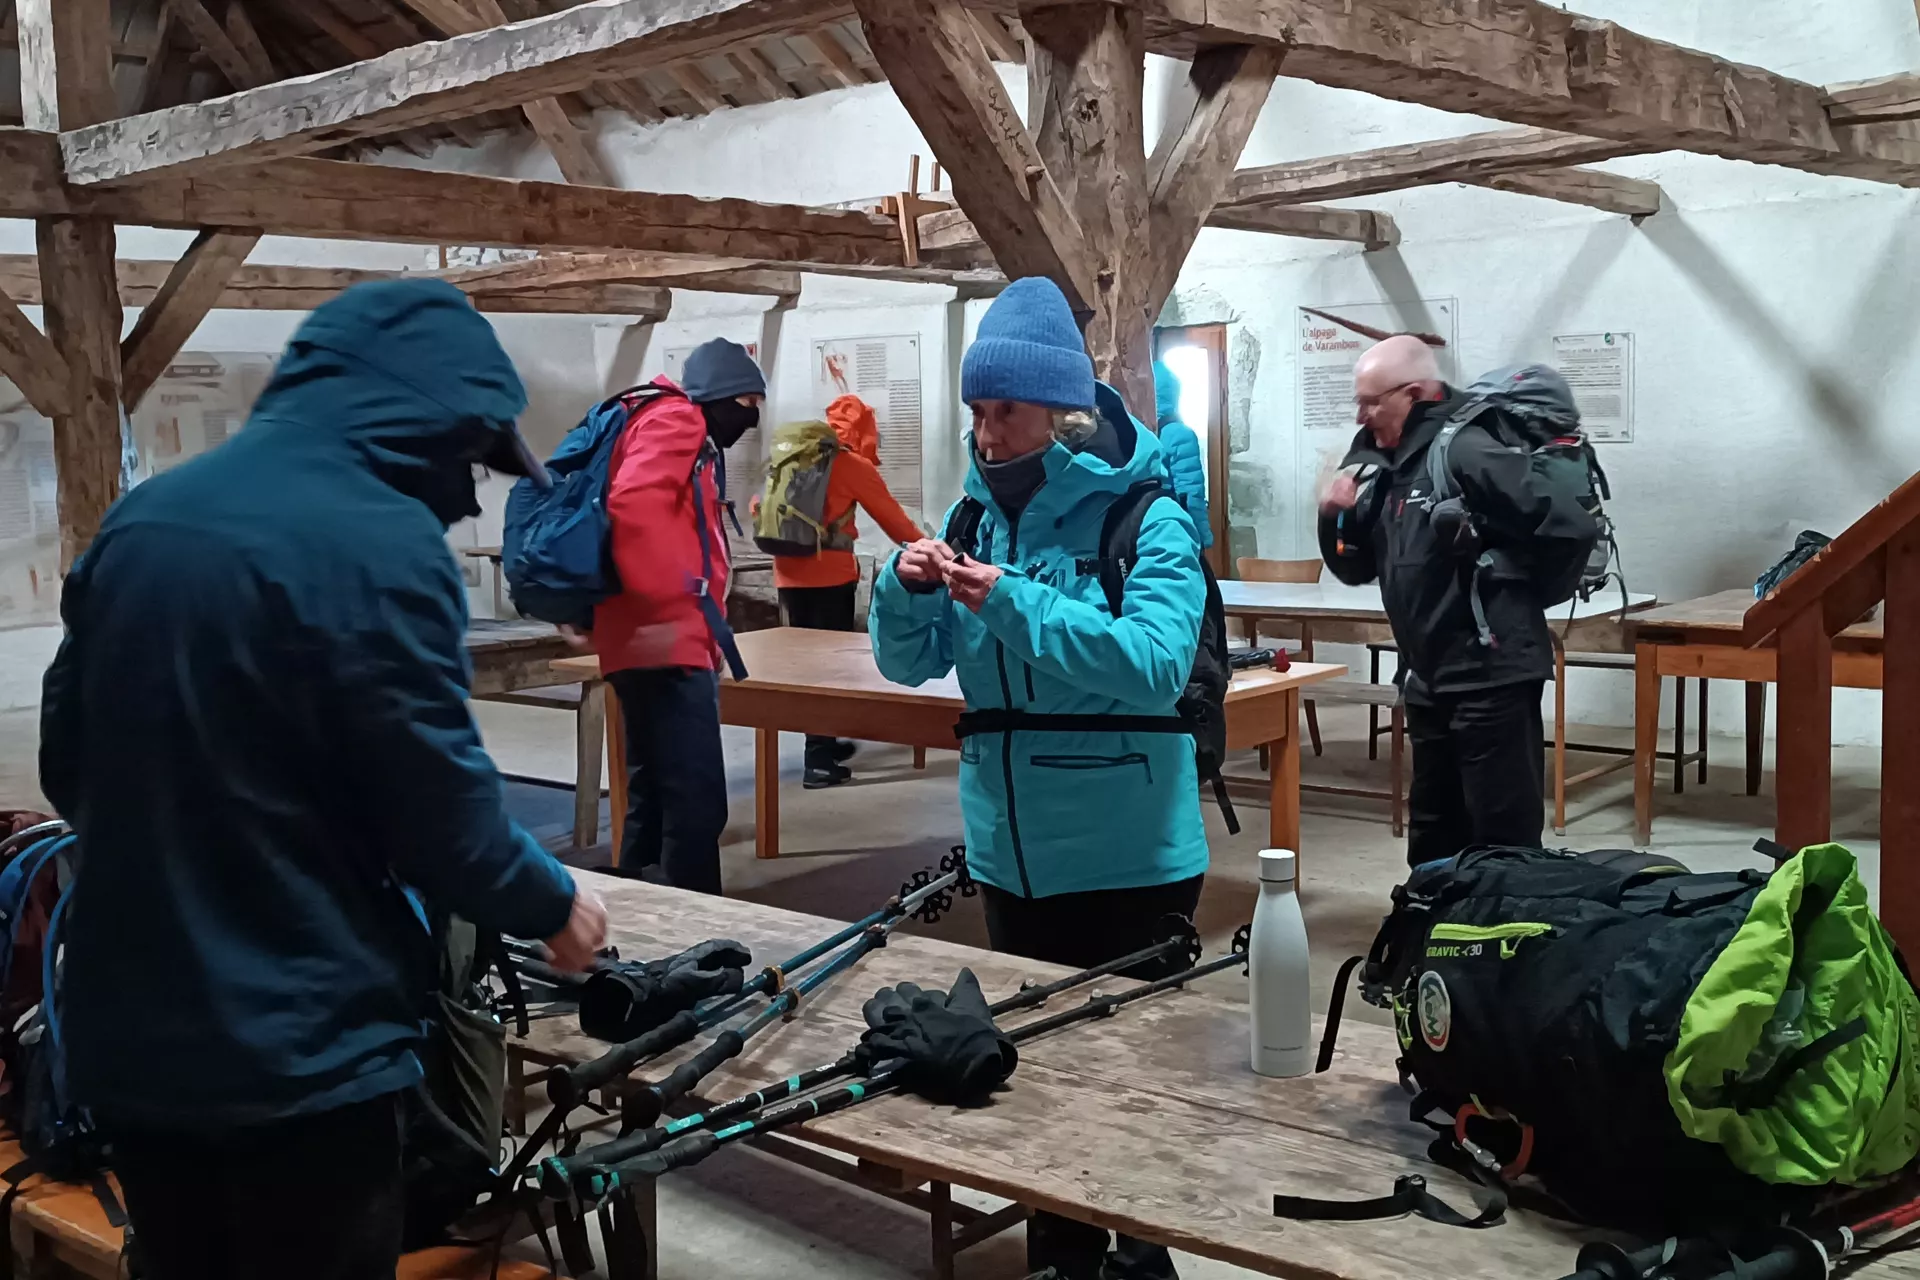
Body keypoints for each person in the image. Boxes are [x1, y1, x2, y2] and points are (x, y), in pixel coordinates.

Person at [39, 279, 607, 1280]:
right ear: (423, 419)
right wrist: (555, 900)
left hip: (135, 1043)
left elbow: (66, 763)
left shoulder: (146, 519)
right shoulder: (380, 545)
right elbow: (443, 820)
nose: (468, 493)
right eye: (469, 454)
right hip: (299, 1054)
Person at [869, 276, 1207, 1280]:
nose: (987, 432)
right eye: (976, 411)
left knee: (1135, 1075)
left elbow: (1153, 664)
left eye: (1005, 410)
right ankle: (1062, 1254)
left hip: (1126, 852)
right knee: (1039, 1070)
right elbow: (909, 662)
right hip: (1010, 850)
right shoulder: (971, 520)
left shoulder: (1144, 515)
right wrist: (901, 583)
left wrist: (1012, 602)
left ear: (1059, 410)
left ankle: (1145, 1256)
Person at [1317, 334, 1593, 869]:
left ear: (1415, 392)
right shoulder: (1391, 469)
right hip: (1430, 680)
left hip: (1492, 677)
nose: (1362, 414)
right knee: (1433, 833)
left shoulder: (1465, 449)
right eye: (1359, 400)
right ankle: (1432, 942)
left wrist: (1517, 589)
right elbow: (1356, 568)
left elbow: (1569, 527)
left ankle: (1506, 944)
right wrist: (1333, 517)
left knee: (1501, 836)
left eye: (1372, 401)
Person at [593, 338, 765, 892]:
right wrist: (672, 609)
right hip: (666, 638)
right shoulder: (679, 421)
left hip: (637, 636)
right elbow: (633, 506)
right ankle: (698, 940)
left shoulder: (642, 416)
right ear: (729, 396)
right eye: (749, 405)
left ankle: (637, 920)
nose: (751, 419)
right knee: (694, 803)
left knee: (652, 789)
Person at [769, 393, 922, 788]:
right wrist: (931, 549)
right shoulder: (850, 464)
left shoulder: (794, 458)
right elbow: (896, 523)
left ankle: (823, 740)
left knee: (804, 665)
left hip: (786, 573)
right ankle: (818, 759)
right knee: (827, 669)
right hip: (830, 576)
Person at [1151, 359, 1213, 550]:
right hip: (1176, 529)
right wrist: (1203, 538)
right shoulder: (1180, 434)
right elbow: (1190, 492)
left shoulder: (1136, 432)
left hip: (1146, 528)